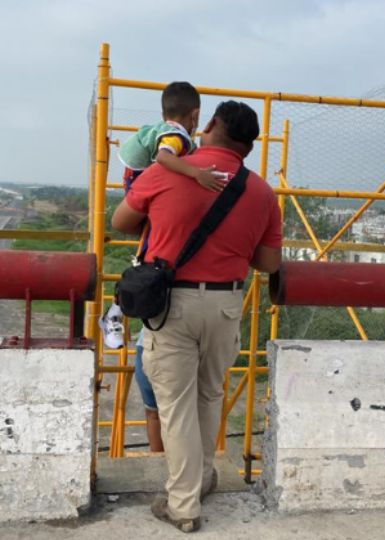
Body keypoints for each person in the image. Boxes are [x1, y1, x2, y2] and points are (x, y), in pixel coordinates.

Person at [111, 100, 282, 533]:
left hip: (173, 305)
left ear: (210, 126)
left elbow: (121, 221)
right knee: (208, 396)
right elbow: (267, 262)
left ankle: (183, 505)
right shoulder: (261, 192)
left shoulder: (167, 170)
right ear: (248, 145)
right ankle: (202, 478)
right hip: (226, 305)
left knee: (176, 406)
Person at [104, 82, 227, 453]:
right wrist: (196, 175)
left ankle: (116, 310)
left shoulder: (164, 128)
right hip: (142, 185)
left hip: (137, 187)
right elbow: (163, 158)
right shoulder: (174, 138)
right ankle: (116, 310)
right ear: (194, 117)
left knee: (145, 251)